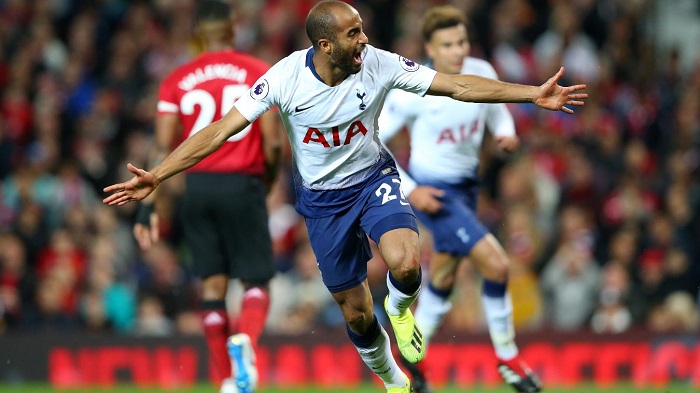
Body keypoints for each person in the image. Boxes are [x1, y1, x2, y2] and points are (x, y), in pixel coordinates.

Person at [104, 1, 586, 392]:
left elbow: (455, 86)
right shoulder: (284, 79)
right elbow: (220, 131)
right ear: (324, 44)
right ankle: (393, 379)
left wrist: (530, 95)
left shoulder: (378, 64)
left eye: (363, 30)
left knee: (405, 262)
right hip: (322, 202)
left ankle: (398, 309)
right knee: (355, 312)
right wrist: (159, 175)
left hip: (373, 179)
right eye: (355, 34)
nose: (365, 40)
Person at [378, 6, 542, 393]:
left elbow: (496, 111)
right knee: (498, 265)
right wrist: (410, 187)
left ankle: (410, 357)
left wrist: (504, 133)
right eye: (448, 44)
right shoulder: (413, 86)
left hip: (468, 187)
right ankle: (508, 359)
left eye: (462, 41)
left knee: (445, 275)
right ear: (429, 48)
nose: (457, 50)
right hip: (435, 192)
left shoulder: (481, 72)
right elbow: (375, 141)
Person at [131, 1, 282, 392]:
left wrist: (147, 207)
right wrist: (265, 182)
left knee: (212, 285)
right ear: (233, 29)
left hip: (197, 187)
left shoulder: (176, 79)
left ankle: (226, 382)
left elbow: (160, 148)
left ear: (198, 34)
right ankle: (246, 343)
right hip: (243, 183)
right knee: (256, 279)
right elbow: (272, 145)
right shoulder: (256, 71)